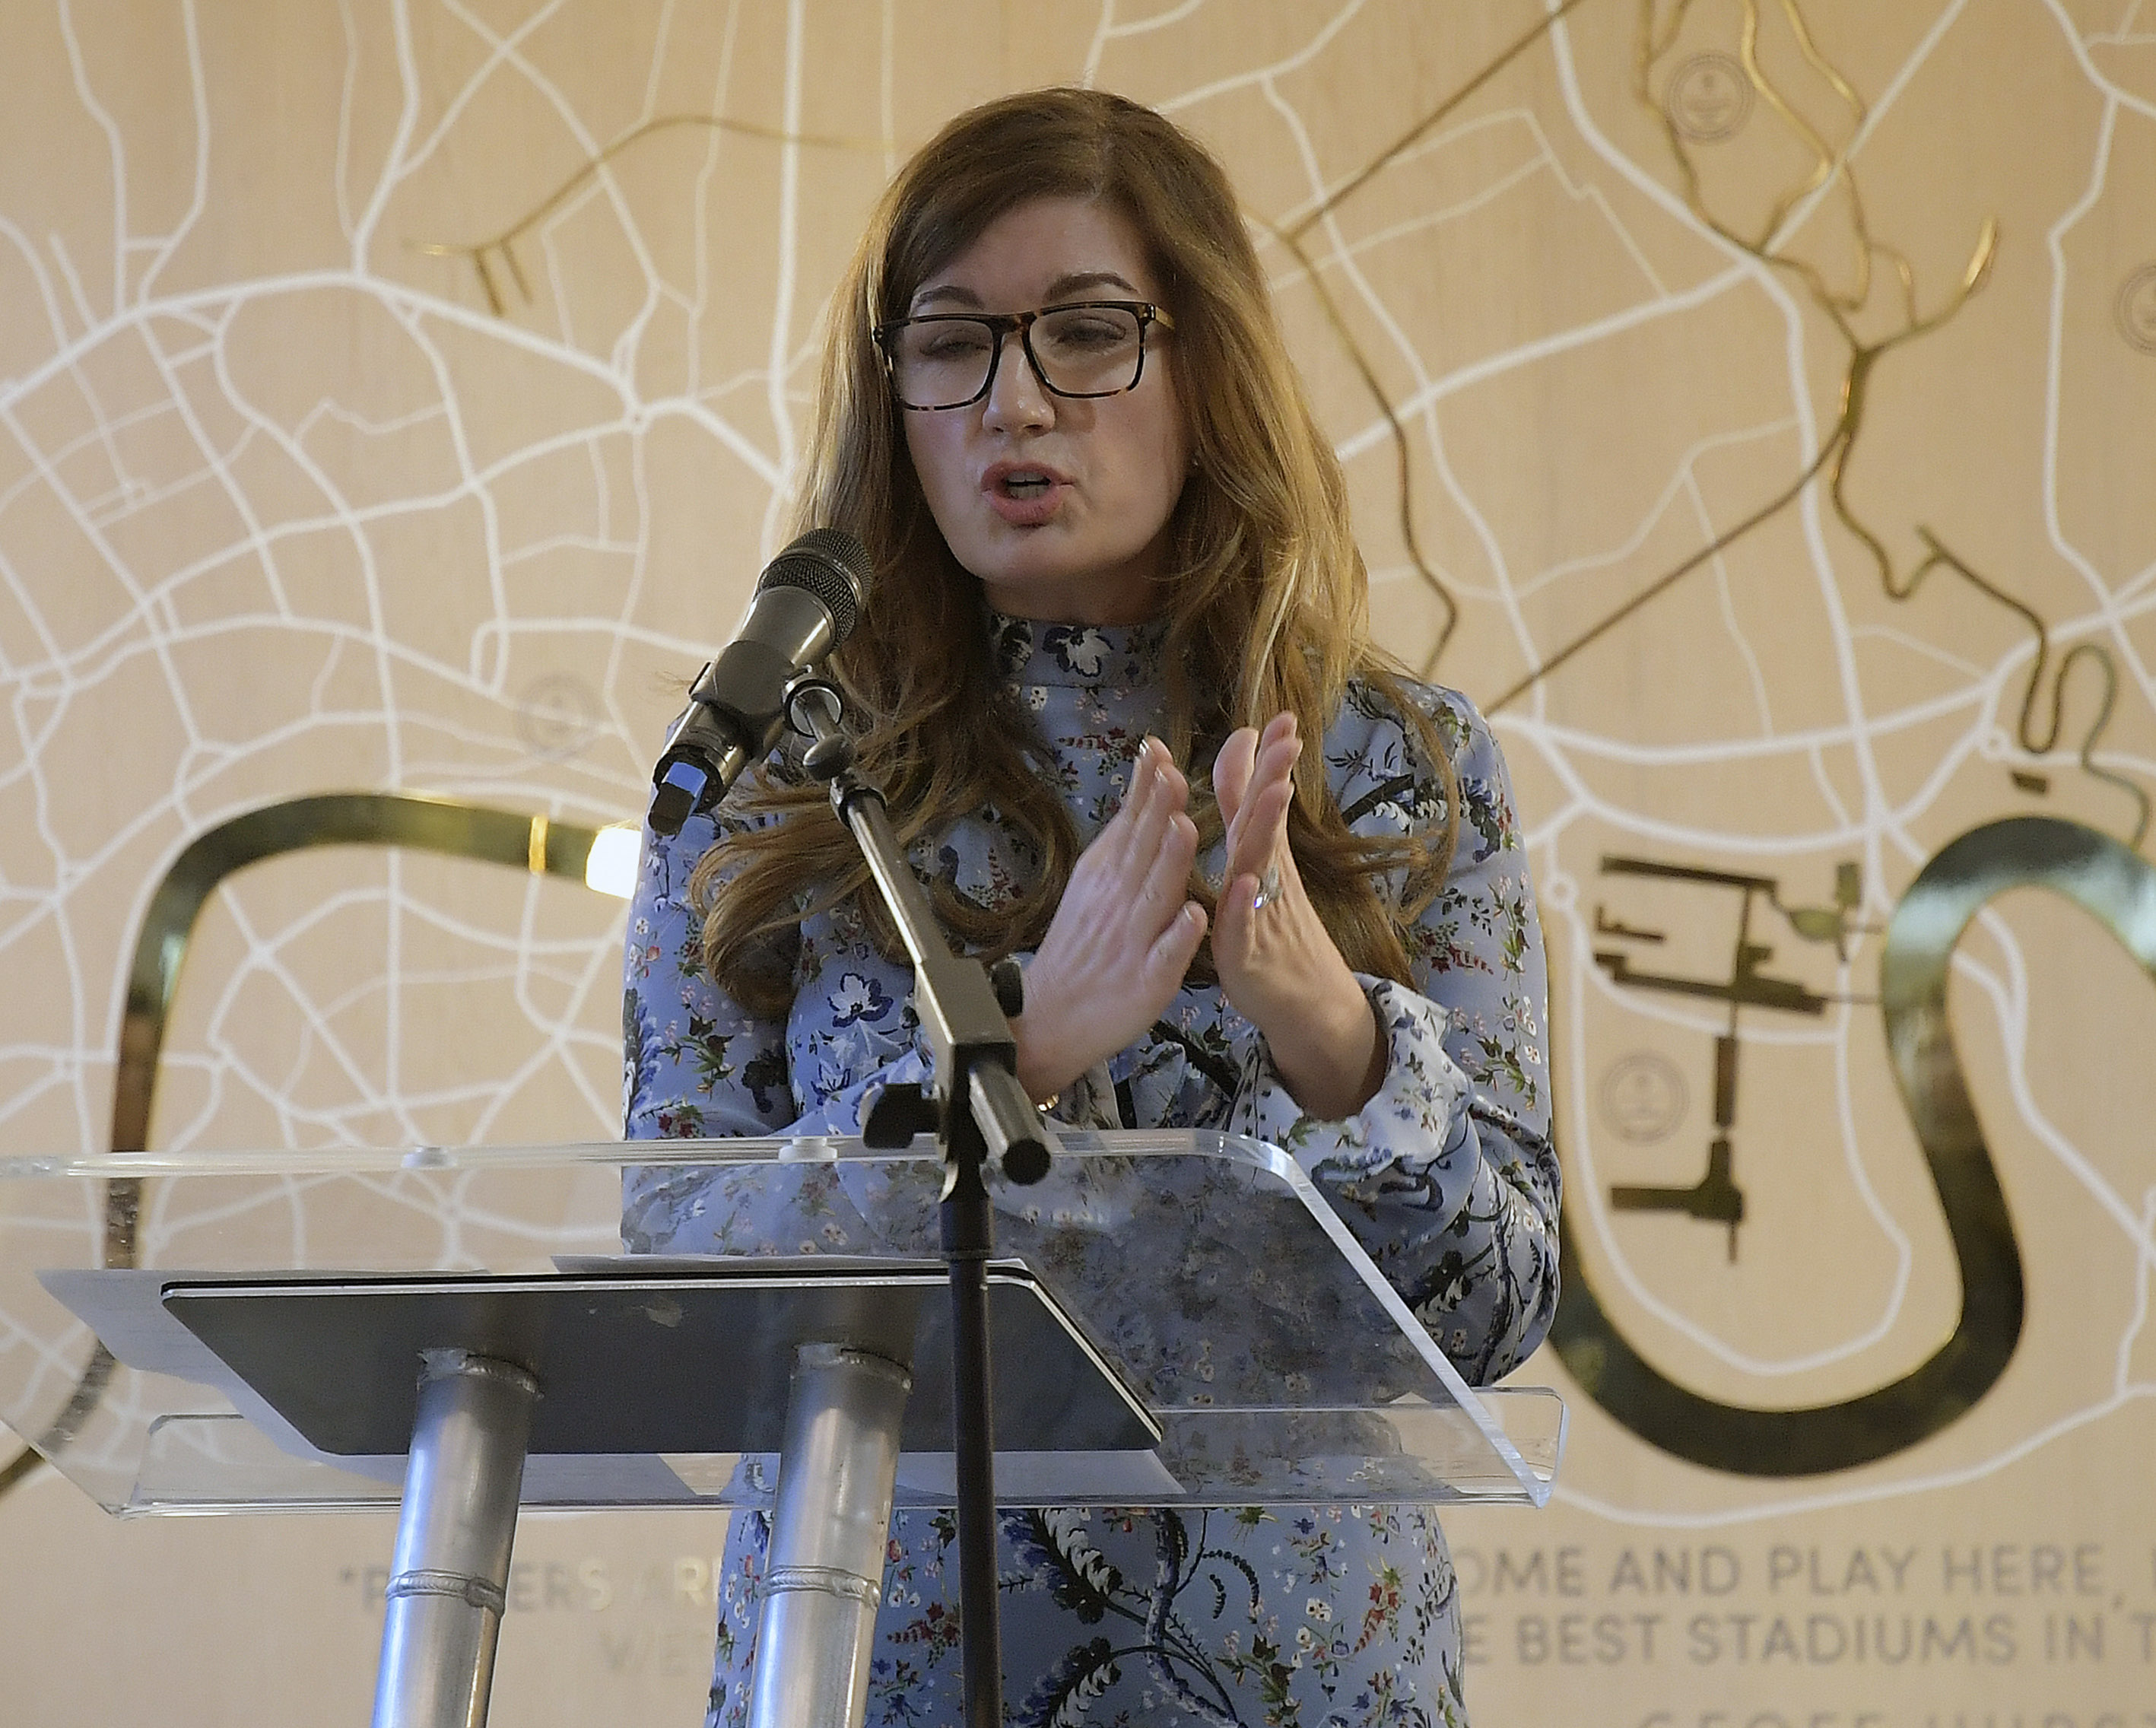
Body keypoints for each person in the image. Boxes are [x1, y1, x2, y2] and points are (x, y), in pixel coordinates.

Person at [622, 86, 1557, 1728]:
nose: (1015, 403)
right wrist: (1020, 1048)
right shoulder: (776, 778)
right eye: (951, 343)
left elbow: (1497, 1310)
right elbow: (676, 1285)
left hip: (1299, 1676)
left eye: (1084, 332)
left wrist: (1332, 1035)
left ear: (1203, 364)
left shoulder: (1395, 764)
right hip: (869, 1661)